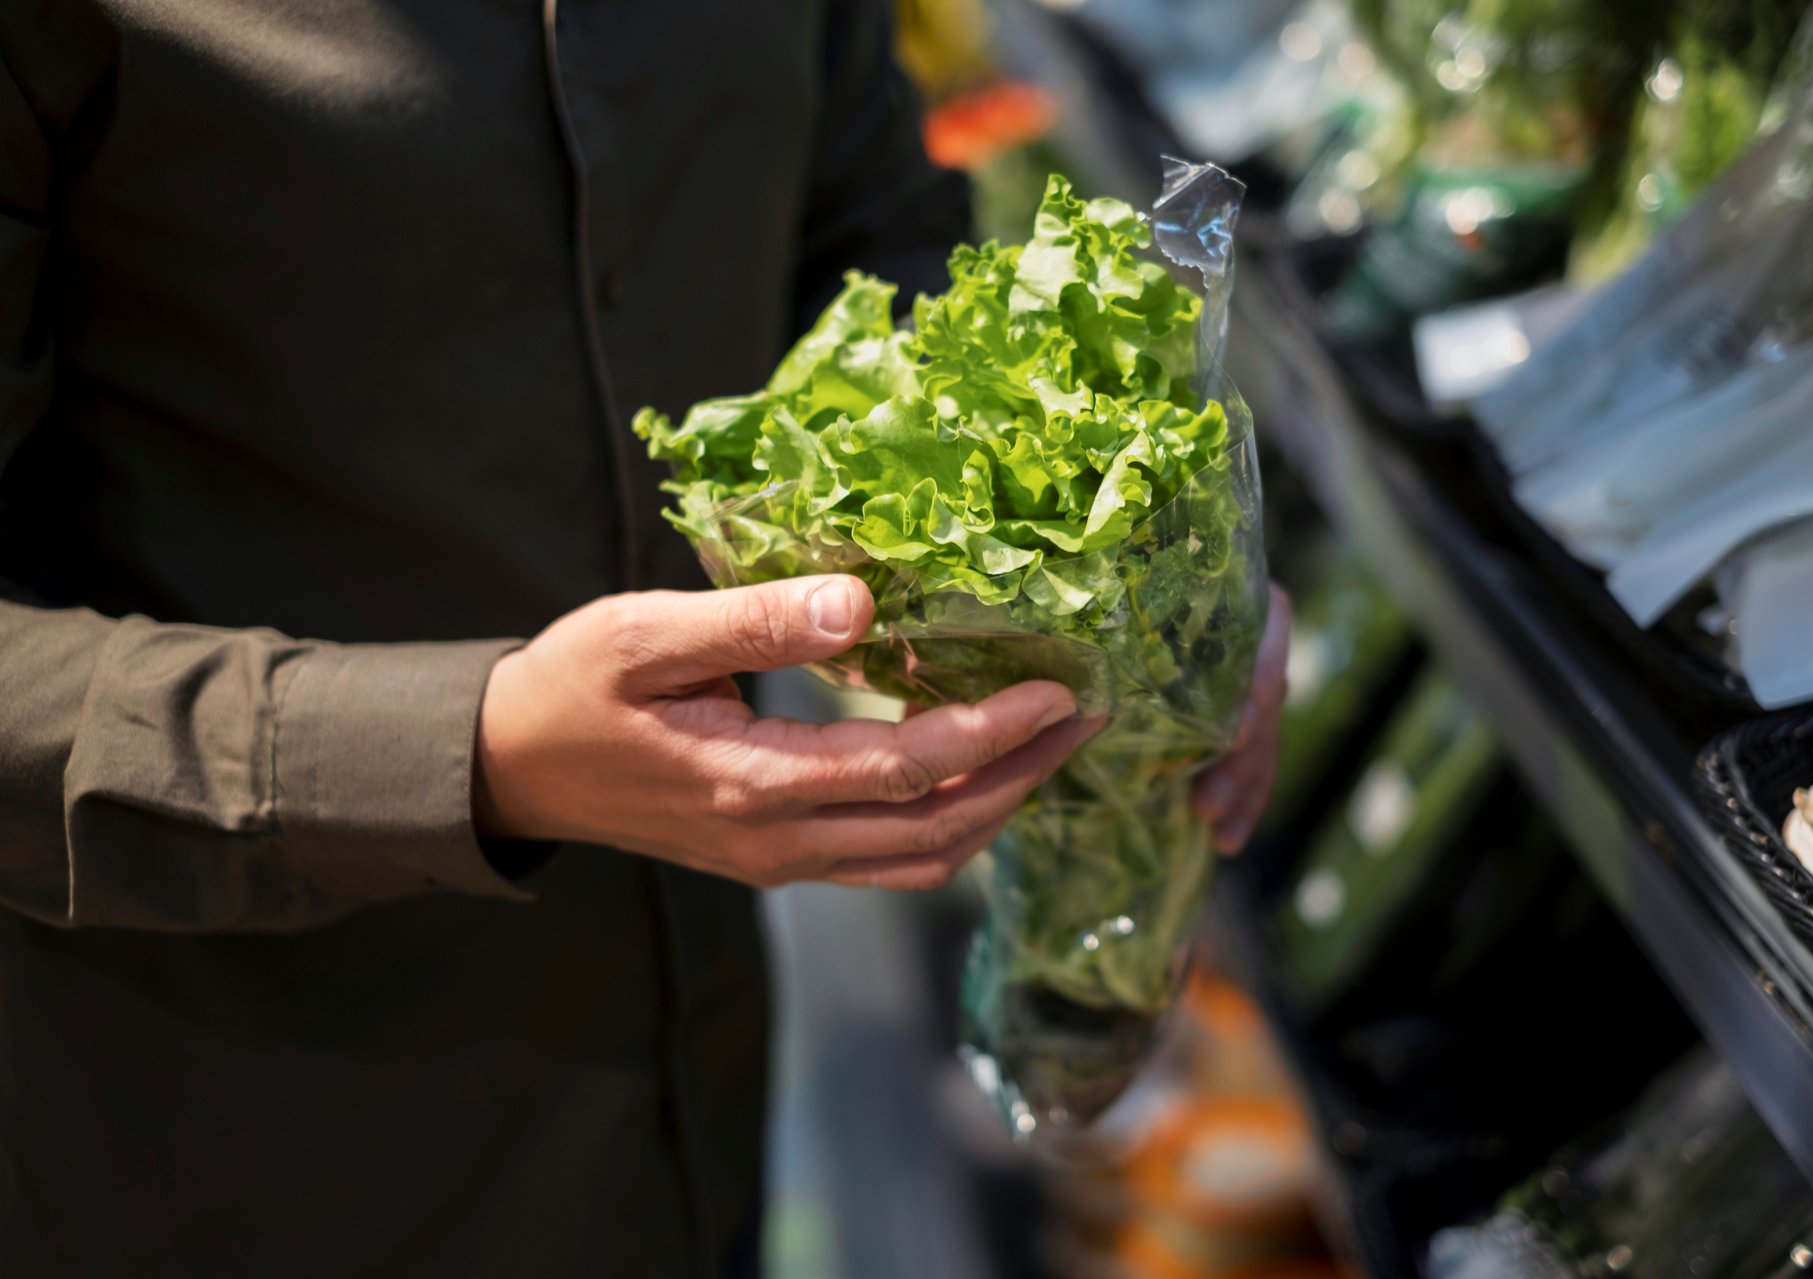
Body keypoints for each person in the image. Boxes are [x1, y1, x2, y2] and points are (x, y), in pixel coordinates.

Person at [0, 2, 1287, 1275]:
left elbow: (872, 238)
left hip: (696, 1099)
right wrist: (479, 752)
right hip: (241, 1150)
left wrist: (1141, 551)